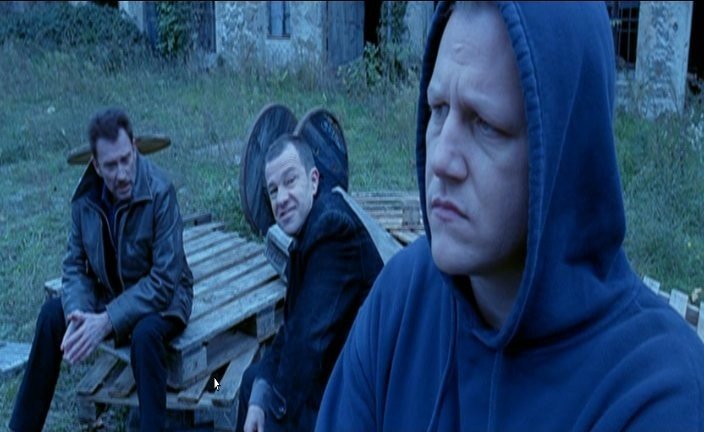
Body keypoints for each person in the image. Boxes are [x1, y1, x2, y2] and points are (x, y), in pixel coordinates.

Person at [317, 2, 704, 431]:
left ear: (561, 151)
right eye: (438, 109)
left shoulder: (660, 395)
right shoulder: (403, 299)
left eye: (485, 123)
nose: (441, 159)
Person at [9, 108, 194, 432]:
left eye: (126, 160)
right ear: (96, 165)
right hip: (113, 292)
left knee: (145, 336)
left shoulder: (160, 191)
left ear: (134, 148)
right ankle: (21, 427)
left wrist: (106, 321)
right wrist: (80, 314)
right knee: (52, 315)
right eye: (110, 165)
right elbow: (74, 266)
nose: (121, 174)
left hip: (164, 300)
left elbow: (165, 280)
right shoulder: (85, 201)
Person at [236, 134, 383, 432]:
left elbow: (306, 346)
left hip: (364, 390)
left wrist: (273, 415)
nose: (281, 199)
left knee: (275, 408)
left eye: (290, 181)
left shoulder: (331, 230)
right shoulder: (306, 236)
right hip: (335, 364)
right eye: (273, 190)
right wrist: (261, 395)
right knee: (252, 382)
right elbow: (292, 328)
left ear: (313, 181)